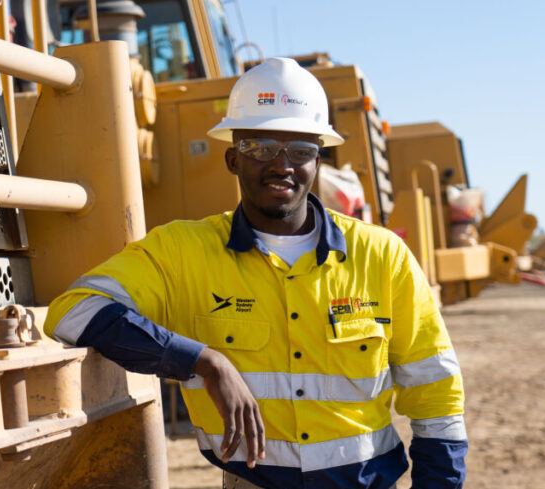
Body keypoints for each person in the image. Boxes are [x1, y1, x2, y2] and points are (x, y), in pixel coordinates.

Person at [44, 57, 467, 489]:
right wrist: (203, 362)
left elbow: (435, 388)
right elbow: (72, 311)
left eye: (300, 151)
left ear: (317, 161)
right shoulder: (181, 252)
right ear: (232, 159)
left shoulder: (382, 256)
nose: (281, 165)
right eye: (260, 148)